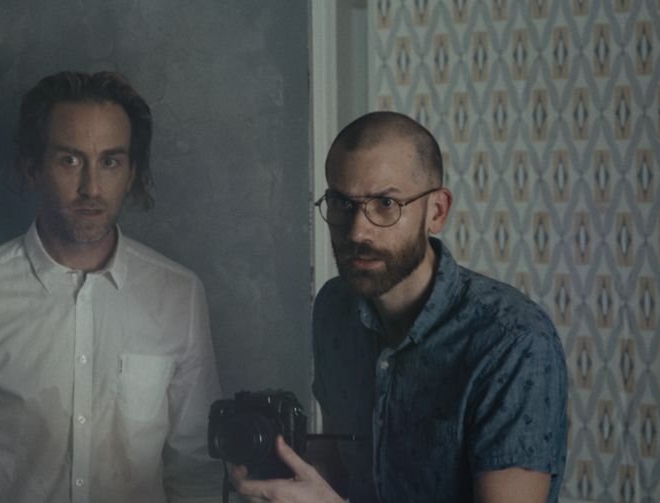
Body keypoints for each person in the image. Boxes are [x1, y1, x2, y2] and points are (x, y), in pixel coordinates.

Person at [0, 71, 222, 503]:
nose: (91, 188)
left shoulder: (178, 296)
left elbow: (196, 476)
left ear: (131, 172)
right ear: (32, 168)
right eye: (70, 161)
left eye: (110, 162)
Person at [232, 111, 568, 502]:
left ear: (436, 212)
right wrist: (276, 476)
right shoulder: (334, 308)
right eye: (342, 203)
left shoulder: (513, 342)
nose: (358, 230)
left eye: (386, 203)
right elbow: (339, 467)